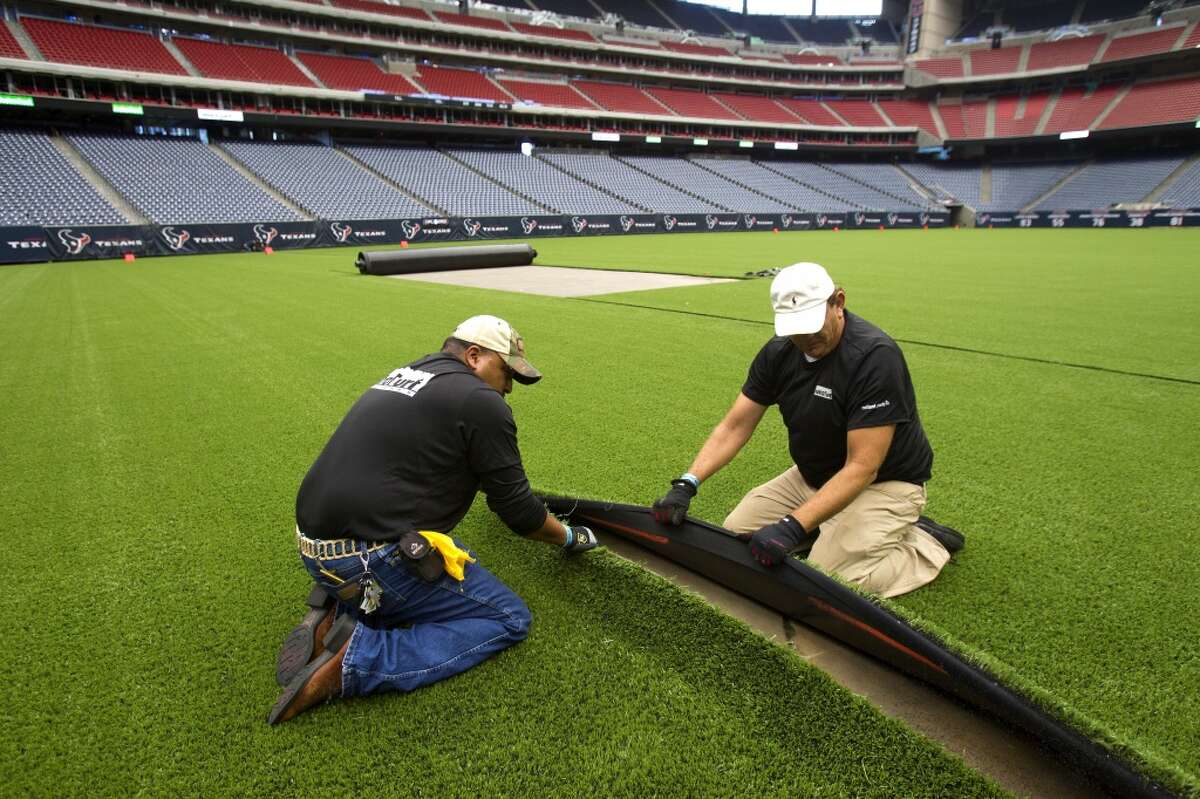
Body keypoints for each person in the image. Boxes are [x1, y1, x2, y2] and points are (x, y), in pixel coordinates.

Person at [269, 314, 598, 725]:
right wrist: (570, 537)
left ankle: (336, 611)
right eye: (507, 372)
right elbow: (519, 514)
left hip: (310, 545)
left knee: (417, 563)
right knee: (508, 618)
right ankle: (358, 661)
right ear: (475, 356)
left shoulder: (410, 373)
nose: (510, 387)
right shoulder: (481, 401)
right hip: (367, 558)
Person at [652, 262, 963, 598]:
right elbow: (734, 426)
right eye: (796, 328)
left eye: (813, 325)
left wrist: (792, 526)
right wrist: (687, 483)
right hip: (812, 477)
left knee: (828, 582)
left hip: (884, 484)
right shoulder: (780, 352)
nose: (806, 338)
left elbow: (863, 467)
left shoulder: (874, 357)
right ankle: (830, 527)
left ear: (839, 302)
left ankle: (923, 542)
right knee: (735, 535)